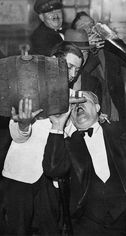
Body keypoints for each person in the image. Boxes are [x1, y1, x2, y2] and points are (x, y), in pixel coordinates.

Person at [43, 91, 126, 236]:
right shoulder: (67, 144)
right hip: (85, 226)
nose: (78, 106)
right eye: (73, 105)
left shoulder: (123, 132)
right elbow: (53, 170)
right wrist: (57, 125)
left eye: (83, 101)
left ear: (97, 107)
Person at [0, 44, 89, 235]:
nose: (72, 73)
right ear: (55, 63)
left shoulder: (74, 98)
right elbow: (17, 137)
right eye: (69, 66)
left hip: (51, 181)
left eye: (77, 69)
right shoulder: (28, 85)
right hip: (20, 177)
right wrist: (24, 124)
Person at [71, 11, 126, 123]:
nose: (90, 29)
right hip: (89, 117)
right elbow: (82, 75)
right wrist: (89, 49)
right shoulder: (73, 56)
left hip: (116, 115)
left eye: (91, 24)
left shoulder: (109, 49)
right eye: (83, 27)